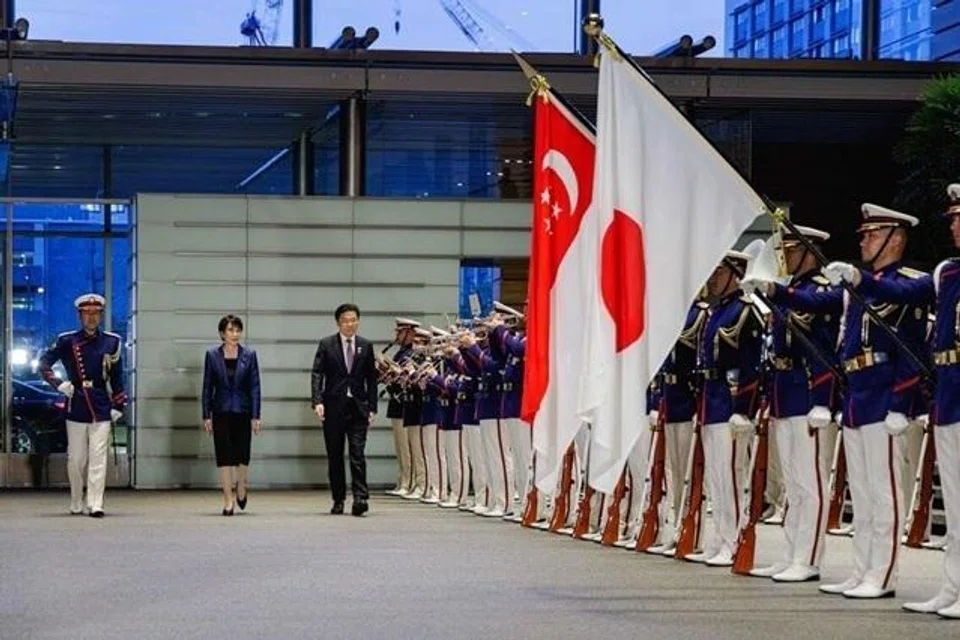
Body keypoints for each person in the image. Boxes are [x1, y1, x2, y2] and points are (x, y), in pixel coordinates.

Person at [744, 203, 930, 599]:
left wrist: (901, 404)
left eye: (874, 235)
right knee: (861, 494)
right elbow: (813, 303)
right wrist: (775, 291)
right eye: (863, 235)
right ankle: (862, 569)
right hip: (857, 397)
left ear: (896, 238)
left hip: (882, 398)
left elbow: (912, 349)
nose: (864, 241)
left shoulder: (907, 282)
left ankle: (882, 574)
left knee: (884, 493)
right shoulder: (852, 287)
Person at [817, 184, 960, 617]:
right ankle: (952, 587)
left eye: (958, 217)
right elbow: (902, 295)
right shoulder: (946, 273)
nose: (953, 224)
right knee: (954, 502)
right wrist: (860, 280)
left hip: (906, 395)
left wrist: (901, 401)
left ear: (894, 238)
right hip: (950, 395)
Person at [745, 225, 840, 582]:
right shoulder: (792, 291)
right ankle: (791, 553)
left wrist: (822, 399)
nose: (784, 256)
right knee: (792, 483)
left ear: (808, 252)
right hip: (784, 392)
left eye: (791, 250)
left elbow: (825, 351)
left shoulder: (819, 291)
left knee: (809, 482)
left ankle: (809, 558)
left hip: (806, 392)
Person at [37, 293, 126, 518]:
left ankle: (96, 503)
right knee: (76, 458)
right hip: (76, 402)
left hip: (100, 403)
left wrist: (118, 404)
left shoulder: (111, 341)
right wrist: (58, 384)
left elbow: (117, 376)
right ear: (79, 315)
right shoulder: (68, 341)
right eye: (87, 313)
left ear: (101, 315)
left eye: (95, 313)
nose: (91, 317)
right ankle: (76, 499)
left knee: (98, 457)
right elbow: (44, 363)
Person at [311, 303, 379, 516]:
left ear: (358, 321)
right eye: (345, 320)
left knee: (357, 453)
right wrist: (318, 401)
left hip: (358, 408)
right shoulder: (326, 344)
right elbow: (317, 374)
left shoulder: (366, 346)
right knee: (335, 456)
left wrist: (372, 407)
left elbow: (372, 379)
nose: (350, 324)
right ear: (338, 323)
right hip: (333, 408)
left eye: (353, 320)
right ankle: (338, 498)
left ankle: (360, 497)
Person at [201, 314, 262, 516]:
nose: (235, 334)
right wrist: (206, 415)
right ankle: (228, 499)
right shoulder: (212, 355)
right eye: (230, 330)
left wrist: (256, 415)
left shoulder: (250, 355)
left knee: (242, 454)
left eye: (237, 330)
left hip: (243, 411)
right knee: (224, 455)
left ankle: (242, 485)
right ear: (222, 333)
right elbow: (207, 386)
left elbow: (255, 387)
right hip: (221, 411)